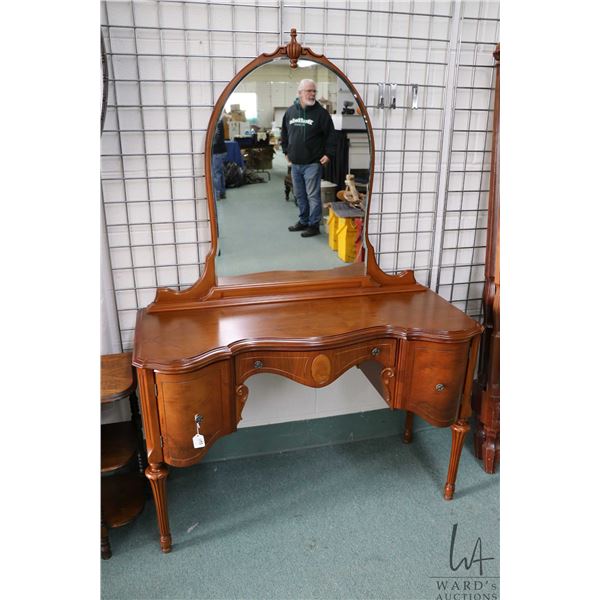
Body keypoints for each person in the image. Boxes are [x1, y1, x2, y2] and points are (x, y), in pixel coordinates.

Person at [281, 79, 336, 237]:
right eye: (309, 91)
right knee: (299, 195)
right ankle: (303, 221)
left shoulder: (321, 113)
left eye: (314, 91)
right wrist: (286, 151)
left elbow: (332, 136)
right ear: (300, 93)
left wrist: (329, 154)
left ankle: (313, 225)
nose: (312, 94)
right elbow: (284, 133)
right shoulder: (290, 112)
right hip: (295, 164)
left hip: (312, 163)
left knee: (312, 196)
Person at [211, 118, 227, 201]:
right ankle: (222, 193)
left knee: (216, 174)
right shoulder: (219, 121)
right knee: (220, 172)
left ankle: (217, 195)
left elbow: (215, 138)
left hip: (217, 151)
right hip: (222, 150)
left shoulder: (215, 122)